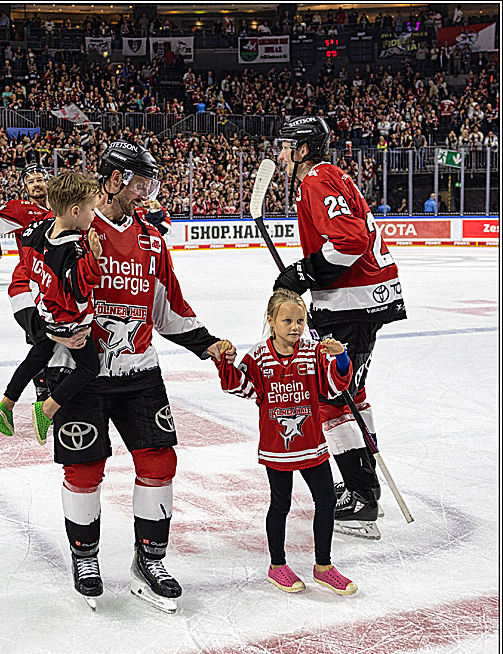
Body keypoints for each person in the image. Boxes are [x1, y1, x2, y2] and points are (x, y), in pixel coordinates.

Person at [46, 141, 232, 612]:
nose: (147, 191)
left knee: (158, 462)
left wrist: (205, 342)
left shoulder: (152, 239)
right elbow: (33, 289)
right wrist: (37, 328)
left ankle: (149, 560)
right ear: (113, 180)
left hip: (139, 372)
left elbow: (168, 306)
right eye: (140, 182)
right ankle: (84, 557)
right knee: (85, 470)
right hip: (78, 372)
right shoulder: (69, 231)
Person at [272, 115, 407, 541]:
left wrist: (304, 272)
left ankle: (363, 497)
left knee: (333, 398)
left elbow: (349, 242)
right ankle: (361, 487)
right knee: (350, 392)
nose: (279, 155)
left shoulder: (316, 179)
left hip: (355, 305)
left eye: (285, 147)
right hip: (359, 302)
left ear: (303, 149)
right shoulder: (331, 175)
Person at [212, 290, 358, 595]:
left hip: (312, 444)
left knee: (327, 501)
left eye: (300, 320)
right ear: (271, 321)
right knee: (281, 504)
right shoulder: (259, 356)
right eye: (287, 320)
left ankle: (324, 567)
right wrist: (225, 363)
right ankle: (277, 566)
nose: (295, 326)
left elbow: (332, 386)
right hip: (277, 448)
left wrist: (341, 358)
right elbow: (242, 387)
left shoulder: (313, 352)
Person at [0, 172, 102, 444]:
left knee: (38, 355)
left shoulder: (37, 231)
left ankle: (6, 403)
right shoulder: (72, 248)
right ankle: (47, 409)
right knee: (89, 368)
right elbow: (75, 295)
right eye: (91, 209)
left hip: (44, 311)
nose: (94, 214)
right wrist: (93, 258)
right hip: (67, 322)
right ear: (75, 211)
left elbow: (30, 267)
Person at [0, 160, 54, 398]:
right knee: (43, 340)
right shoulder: (21, 209)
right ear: (25, 188)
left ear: (47, 181)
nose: (36, 184)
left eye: (39, 179)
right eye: (30, 182)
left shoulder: (63, 205)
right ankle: (42, 391)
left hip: (60, 284)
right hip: (29, 283)